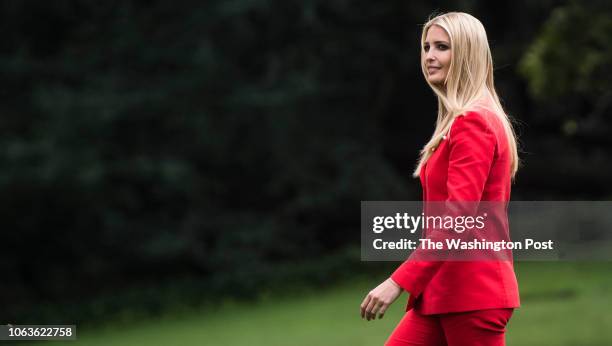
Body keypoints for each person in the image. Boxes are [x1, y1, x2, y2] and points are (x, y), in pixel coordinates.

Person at [359, 12, 521, 346]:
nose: (430, 55)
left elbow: (458, 219)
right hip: (441, 294)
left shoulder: (474, 121)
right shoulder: (465, 118)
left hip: (472, 296)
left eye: (442, 47)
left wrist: (398, 281)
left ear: (466, 54)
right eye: (426, 46)